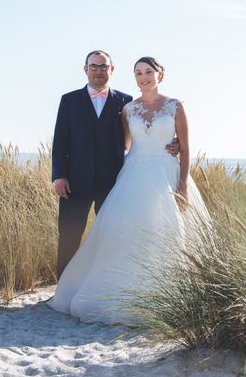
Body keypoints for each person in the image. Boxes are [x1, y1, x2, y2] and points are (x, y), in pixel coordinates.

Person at [48, 56, 210, 324]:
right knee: (112, 232)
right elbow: (122, 143)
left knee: (164, 231)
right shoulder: (127, 108)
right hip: (129, 175)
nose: (143, 77)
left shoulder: (173, 106)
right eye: (138, 73)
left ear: (160, 74)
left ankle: (168, 291)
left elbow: (186, 146)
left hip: (163, 175)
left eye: (148, 72)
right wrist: (60, 174)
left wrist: (179, 165)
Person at [51, 50, 178, 279]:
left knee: (110, 236)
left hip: (113, 182)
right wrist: (59, 175)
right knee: (69, 235)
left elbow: (138, 136)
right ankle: (62, 286)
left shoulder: (126, 102)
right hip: (74, 181)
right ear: (85, 69)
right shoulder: (69, 100)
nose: (99, 71)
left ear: (111, 70)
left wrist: (170, 143)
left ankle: (100, 282)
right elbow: (60, 140)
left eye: (103, 66)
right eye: (94, 66)